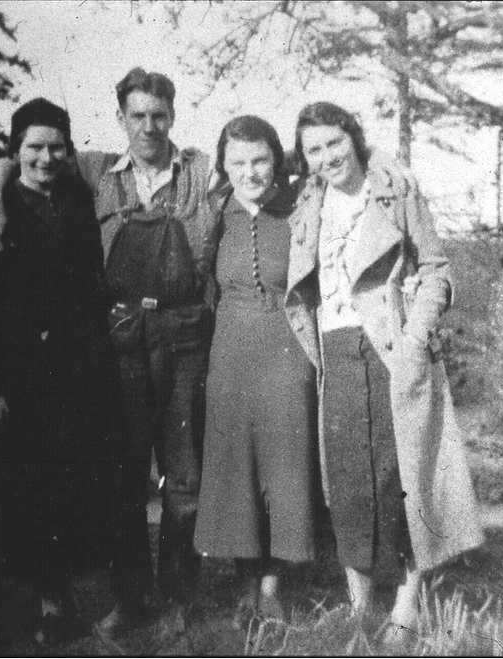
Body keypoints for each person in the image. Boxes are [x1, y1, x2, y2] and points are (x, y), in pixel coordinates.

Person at [0, 68, 216, 635]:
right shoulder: (95, 170)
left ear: (173, 117)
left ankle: (179, 598)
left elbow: (269, 170)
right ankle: (131, 597)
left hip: (184, 338)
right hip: (123, 340)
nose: (149, 127)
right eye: (138, 115)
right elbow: (16, 158)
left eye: (159, 115)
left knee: (184, 480)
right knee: (124, 477)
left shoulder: (202, 171)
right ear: (120, 119)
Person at [283, 102, 484, 633]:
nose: (328, 157)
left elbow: (437, 267)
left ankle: (407, 605)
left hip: (390, 347)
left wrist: (415, 339)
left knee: (404, 476)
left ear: (354, 136)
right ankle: (358, 607)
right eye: (314, 149)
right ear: (304, 159)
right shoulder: (309, 204)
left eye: (335, 142)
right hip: (334, 350)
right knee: (347, 482)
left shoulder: (394, 190)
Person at [0, 98, 123, 644]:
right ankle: (45, 606)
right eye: (34, 146)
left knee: (76, 486)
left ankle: (74, 600)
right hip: (19, 378)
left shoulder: (79, 197)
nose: (46, 157)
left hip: (76, 372)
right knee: (29, 492)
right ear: (16, 152)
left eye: (56, 146)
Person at [192, 116, 317, 627]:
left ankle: (273, 585)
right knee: (235, 467)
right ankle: (246, 581)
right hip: (230, 349)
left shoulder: (303, 205)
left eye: (260, 159)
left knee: (286, 466)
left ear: (278, 158)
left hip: (287, 346)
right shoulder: (212, 211)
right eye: (238, 162)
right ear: (222, 165)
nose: (251, 172)